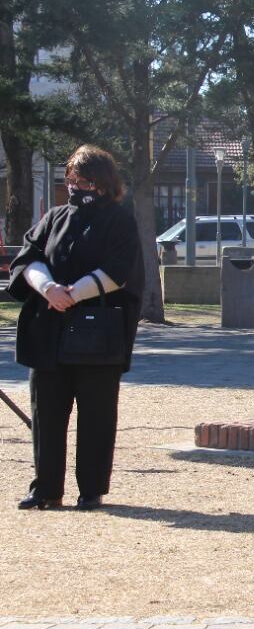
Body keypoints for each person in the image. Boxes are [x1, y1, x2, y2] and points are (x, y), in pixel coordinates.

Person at [8, 145, 143, 511]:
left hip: (97, 336)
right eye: (71, 179)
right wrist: (48, 289)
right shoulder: (53, 218)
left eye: (82, 180)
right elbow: (28, 259)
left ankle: (92, 489)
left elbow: (121, 270)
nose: (74, 186)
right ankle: (46, 488)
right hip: (48, 331)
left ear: (102, 183)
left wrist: (75, 293)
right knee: (47, 414)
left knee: (97, 415)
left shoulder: (120, 220)